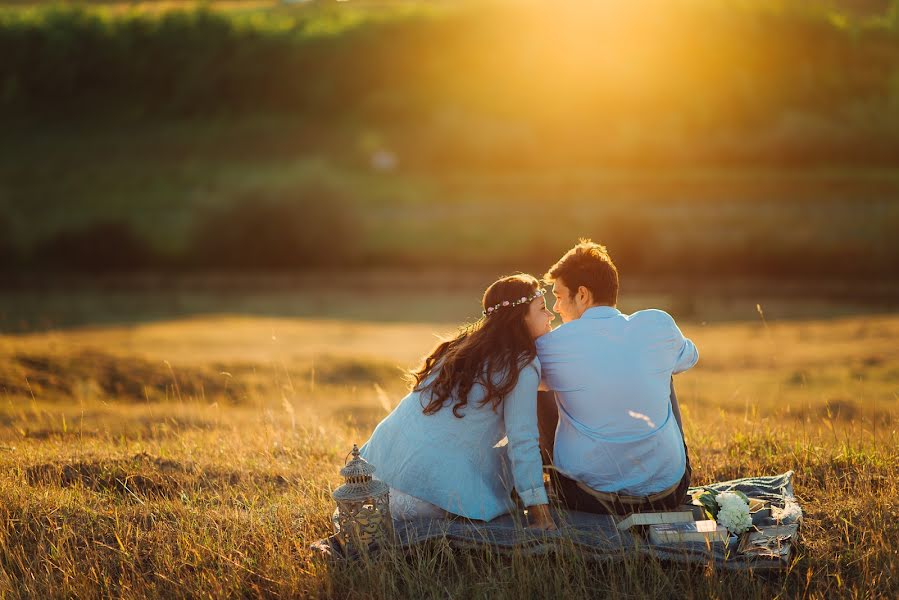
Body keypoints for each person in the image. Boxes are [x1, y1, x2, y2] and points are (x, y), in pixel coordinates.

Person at [360, 274, 557, 530]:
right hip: (427, 498)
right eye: (543, 309)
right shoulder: (521, 364)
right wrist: (539, 514)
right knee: (509, 456)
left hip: (374, 480)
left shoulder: (460, 348)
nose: (551, 315)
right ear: (520, 317)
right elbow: (523, 440)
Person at [536, 240, 698, 514]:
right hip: (668, 492)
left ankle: (545, 473)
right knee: (665, 369)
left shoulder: (554, 344)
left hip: (586, 496)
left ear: (583, 295)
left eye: (559, 296)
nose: (556, 307)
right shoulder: (657, 323)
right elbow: (690, 356)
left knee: (536, 383)